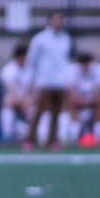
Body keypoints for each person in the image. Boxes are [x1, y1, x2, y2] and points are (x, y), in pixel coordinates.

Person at [25, 11, 72, 149]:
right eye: (56, 20)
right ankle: (30, 140)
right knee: (38, 111)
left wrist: (66, 80)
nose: (59, 23)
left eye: (60, 20)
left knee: (56, 113)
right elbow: (32, 60)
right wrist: (32, 79)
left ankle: (52, 141)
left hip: (60, 82)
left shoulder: (66, 39)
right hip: (44, 81)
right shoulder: (40, 39)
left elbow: (65, 62)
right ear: (49, 21)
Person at [0, 44, 33, 144]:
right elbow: (11, 90)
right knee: (7, 103)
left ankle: (33, 135)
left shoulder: (31, 69)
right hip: (15, 99)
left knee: (34, 107)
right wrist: (21, 102)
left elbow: (32, 88)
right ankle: (7, 135)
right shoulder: (8, 69)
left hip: (27, 100)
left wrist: (27, 100)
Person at [67, 51, 100, 143]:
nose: (85, 65)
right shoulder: (73, 70)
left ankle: (99, 134)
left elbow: (99, 89)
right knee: (71, 102)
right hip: (78, 98)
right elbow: (71, 89)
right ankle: (74, 134)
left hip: (92, 98)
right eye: (83, 62)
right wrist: (80, 100)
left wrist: (90, 100)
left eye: (87, 62)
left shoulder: (96, 69)